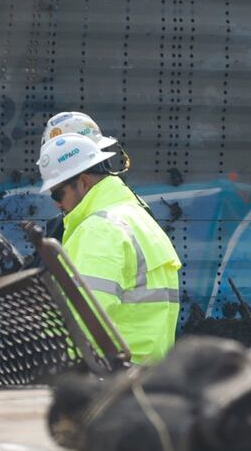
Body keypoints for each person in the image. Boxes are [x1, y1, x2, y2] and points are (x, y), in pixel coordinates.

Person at [37, 129, 181, 364]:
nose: (57, 205)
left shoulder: (100, 230)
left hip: (106, 378)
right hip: (146, 373)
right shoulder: (138, 218)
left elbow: (84, 320)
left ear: (83, 182)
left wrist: (55, 366)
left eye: (57, 194)